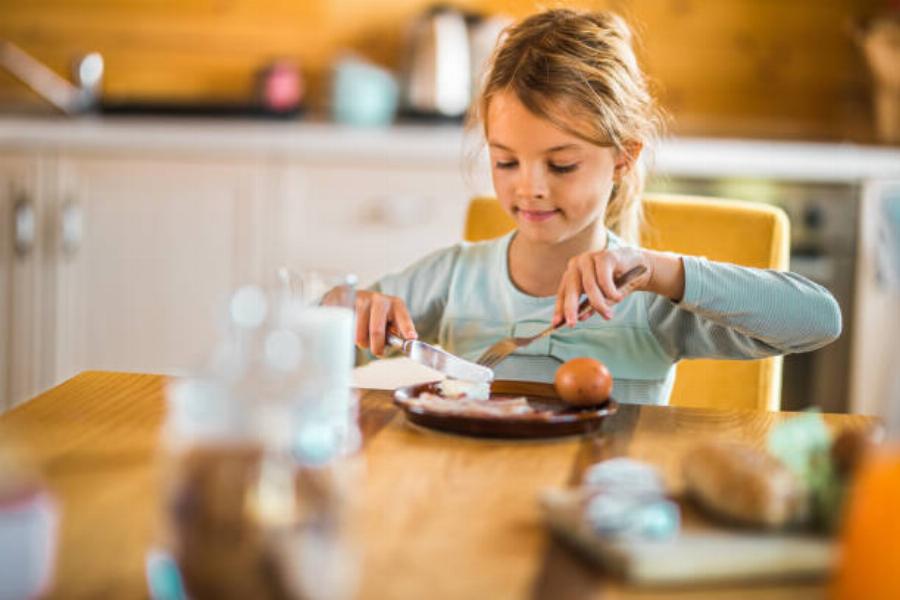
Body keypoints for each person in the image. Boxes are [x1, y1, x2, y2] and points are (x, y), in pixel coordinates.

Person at [350, 9, 841, 405]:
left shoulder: (649, 301)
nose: (530, 188)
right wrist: (347, 311)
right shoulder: (453, 280)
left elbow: (820, 321)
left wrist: (658, 273)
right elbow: (300, 344)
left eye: (561, 165)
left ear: (623, 158)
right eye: (506, 162)